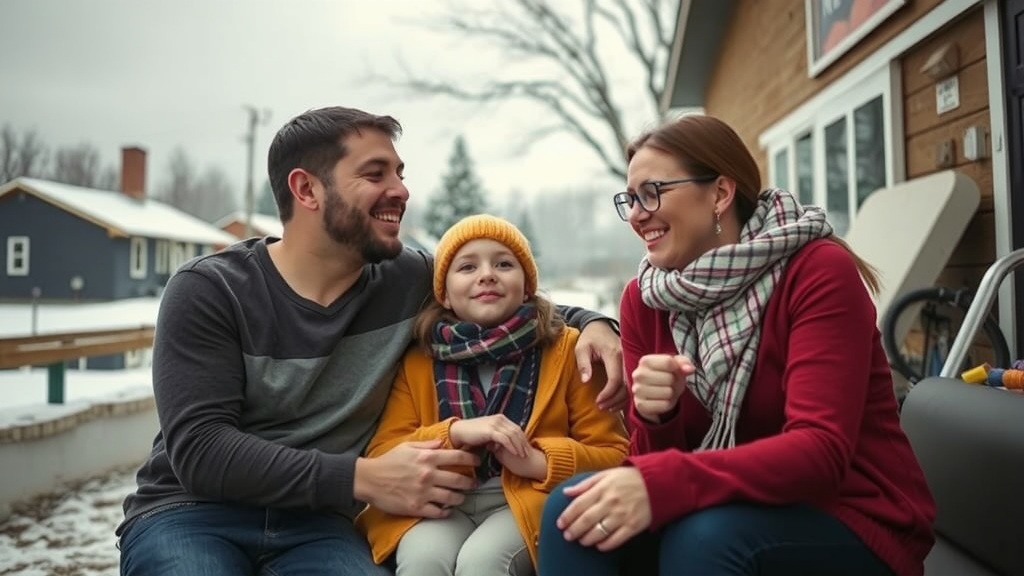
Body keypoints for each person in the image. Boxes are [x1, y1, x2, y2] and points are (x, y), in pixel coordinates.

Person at [115, 106, 626, 576]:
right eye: (375, 174)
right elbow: (201, 451)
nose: (401, 190)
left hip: (320, 524)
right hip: (190, 512)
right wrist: (364, 478)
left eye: (400, 174)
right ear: (308, 190)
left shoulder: (406, 280)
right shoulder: (211, 289)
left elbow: (509, 302)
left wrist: (600, 323)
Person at [537, 114, 936, 576]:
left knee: (704, 537)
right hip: (717, 502)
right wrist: (657, 416)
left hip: (851, 513)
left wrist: (666, 483)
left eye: (652, 193)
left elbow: (820, 453)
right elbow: (649, 460)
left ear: (720, 195)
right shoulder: (645, 299)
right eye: (629, 199)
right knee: (572, 513)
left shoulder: (816, 270)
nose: (636, 214)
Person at [355, 214, 629, 576]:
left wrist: (538, 460)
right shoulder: (419, 358)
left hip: (523, 499)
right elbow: (384, 452)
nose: (487, 274)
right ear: (445, 295)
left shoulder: (569, 350)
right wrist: (453, 433)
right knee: (423, 559)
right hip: (442, 500)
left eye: (504, 263)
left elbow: (614, 454)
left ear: (528, 286)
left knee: (483, 563)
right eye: (467, 267)